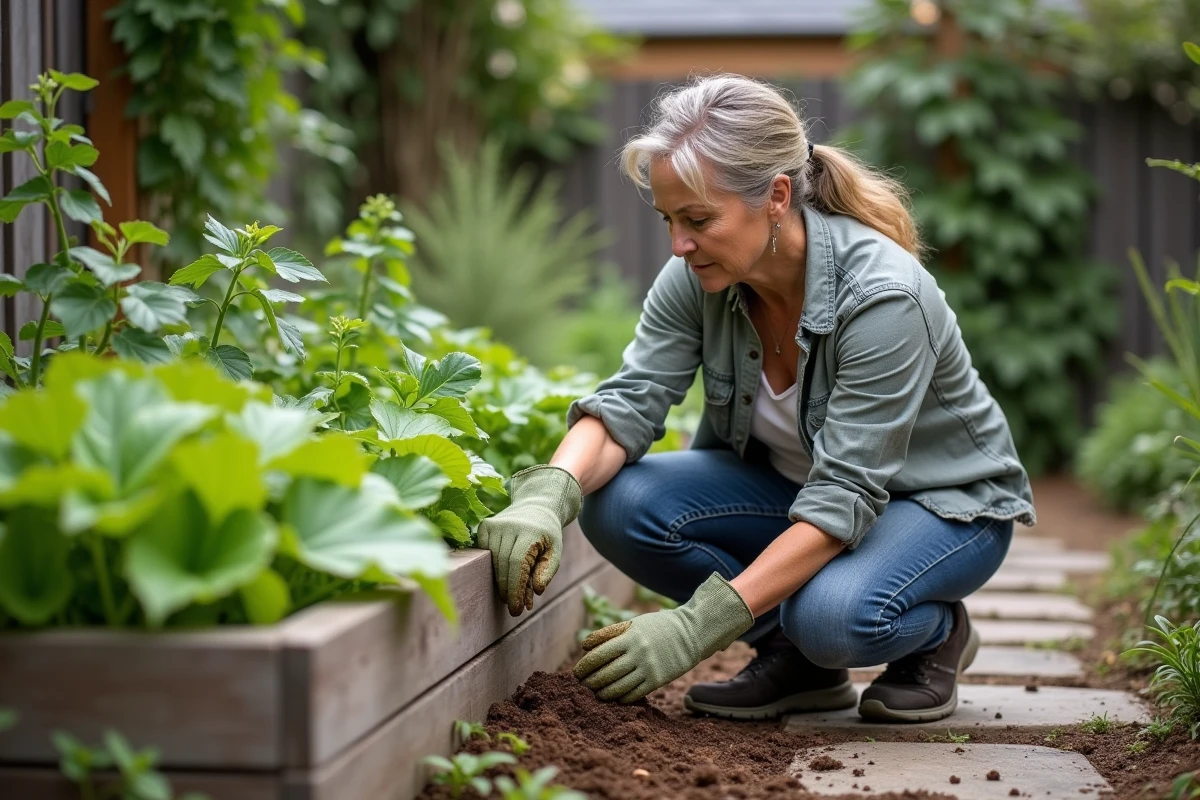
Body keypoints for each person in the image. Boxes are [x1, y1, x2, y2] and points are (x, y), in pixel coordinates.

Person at [475, 74, 1035, 724]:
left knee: (830, 616)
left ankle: (937, 635)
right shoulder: (700, 277)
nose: (678, 244)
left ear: (775, 197)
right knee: (619, 502)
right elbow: (629, 402)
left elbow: (843, 497)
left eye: (698, 220)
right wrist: (548, 494)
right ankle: (797, 662)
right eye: (668, 219)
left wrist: (694, 629)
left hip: (939, 508)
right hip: (798, 493)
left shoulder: (882, 298)